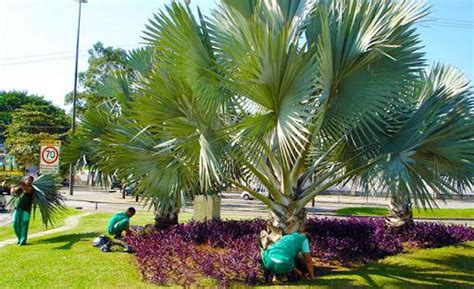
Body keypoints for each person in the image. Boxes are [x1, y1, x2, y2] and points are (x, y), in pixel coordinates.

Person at [12, 176, 35, 245]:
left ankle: (22, 241)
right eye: (27, 179)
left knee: (24, 225)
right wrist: (13, 186)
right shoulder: (20, 187)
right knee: (15, 223)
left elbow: (27, 190)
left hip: (26, 210)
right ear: (24, 180)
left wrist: (21, 185)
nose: (28, 181)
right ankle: (19, 239)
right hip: (17, 209)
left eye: (30, 180)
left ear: (31, 182)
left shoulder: (32, 188)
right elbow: (13, 192)